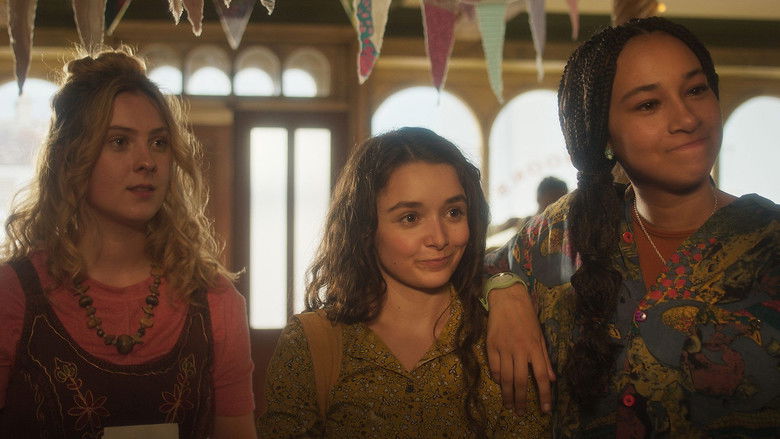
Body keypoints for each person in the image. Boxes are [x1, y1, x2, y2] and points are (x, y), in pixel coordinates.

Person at [484, 16, 779, 437]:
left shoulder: (769, 242)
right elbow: (473, 266)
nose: (686, 118)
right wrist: (504, 290)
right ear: (602, 134)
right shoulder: (564, 230)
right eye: (648, 104)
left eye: (696, 90)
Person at [0, 48, 257, 438]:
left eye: (159, 143)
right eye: (119, 141)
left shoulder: (214, 301)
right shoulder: (13, 295)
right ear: (71, 157)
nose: (146, 161)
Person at [258, 127, 548, 437]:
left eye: (453, 212)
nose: (439, 238)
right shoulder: (313, 342)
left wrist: (506, 287)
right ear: (366, 227)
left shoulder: (503, 334)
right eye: (410, 217)